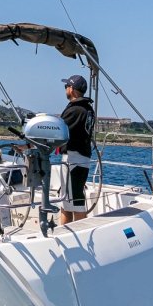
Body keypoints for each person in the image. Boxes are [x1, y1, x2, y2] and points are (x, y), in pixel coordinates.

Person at [59, 75, 96, 224]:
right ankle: (68, 235)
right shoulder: (88, 109)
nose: (65, 89)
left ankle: (72, 237)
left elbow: (58, 131)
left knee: (72, 204)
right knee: (72, 201)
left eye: (66, 86)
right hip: (82, 158)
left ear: (72, 89)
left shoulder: (75, 110)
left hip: (73, 159)